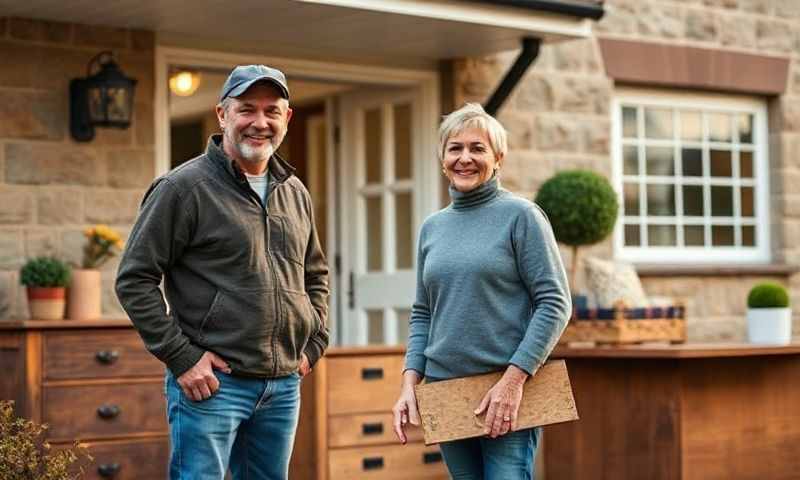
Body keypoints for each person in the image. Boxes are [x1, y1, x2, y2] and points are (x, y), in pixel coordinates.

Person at [115, 64, 329, 480]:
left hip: (282, 385)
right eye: (247, 109)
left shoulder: (294, 191)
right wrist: (182, 358)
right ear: (222, 115)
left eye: (272, 111)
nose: (259, 122)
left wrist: (315, 341)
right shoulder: (183, 188)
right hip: (213, 385)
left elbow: (315, 273)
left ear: (287, 118)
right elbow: (134, 278)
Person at [391, 103, 571, 479]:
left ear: (498, 158)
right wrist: (411, 383)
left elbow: (554, 304)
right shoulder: (433, 227)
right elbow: (424, 311)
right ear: (443, 158)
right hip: (446, 390)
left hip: (505, 391)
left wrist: (513, 380)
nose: (465, 158)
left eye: (477, 148)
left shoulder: (522, 217)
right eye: (455, 148)